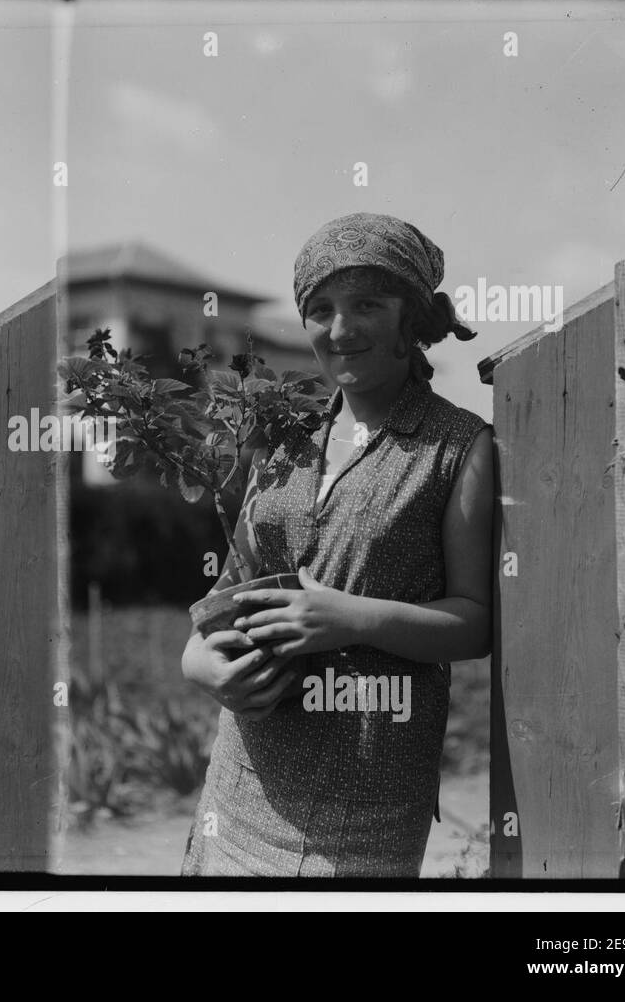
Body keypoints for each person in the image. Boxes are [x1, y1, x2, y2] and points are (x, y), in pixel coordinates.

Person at [180, 212, 494, 877]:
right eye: (320, 309)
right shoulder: (285, 440)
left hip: (369, 801)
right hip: (242, 784)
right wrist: (201, 666)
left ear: (413, 317)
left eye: (367, 305)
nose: (341, 329)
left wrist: (347, 618)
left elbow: (473, 623)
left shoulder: (460, 446)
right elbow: (224, 594)